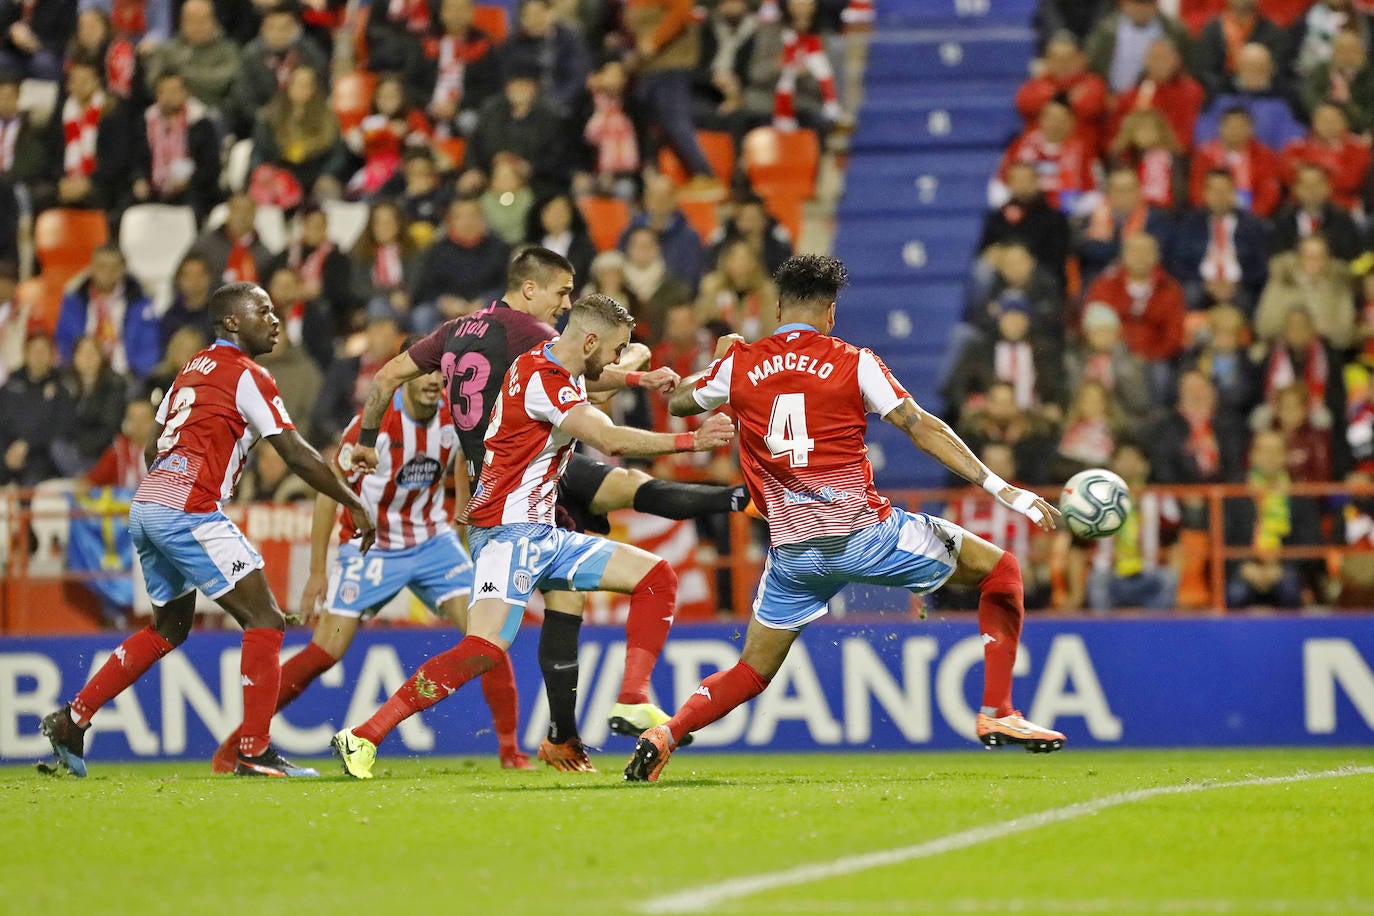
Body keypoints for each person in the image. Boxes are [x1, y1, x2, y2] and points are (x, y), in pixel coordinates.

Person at [622, 254, 1065, 783]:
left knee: (752, 669)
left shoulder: (738, 364)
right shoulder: (854, 361)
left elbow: (676, 401)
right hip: (864, 535)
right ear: (830, 313)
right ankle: (998, 712)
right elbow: (919, 426)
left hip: (793, 554)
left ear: (778, 306)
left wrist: (721, 357)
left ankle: (667, 733)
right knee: (1002, 572)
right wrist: (1001, 487)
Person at [333, 247, 750, 771]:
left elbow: (597, 387)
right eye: (617, 350)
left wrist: (644, 377)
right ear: (591, 341)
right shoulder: (540, 373)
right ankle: (365, 734)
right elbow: (610, 438)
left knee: (656, 577)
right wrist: (692, 442)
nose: (617, 360)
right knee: (483, 648)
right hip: (506, 534)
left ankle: (632, 697)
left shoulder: (553, 367)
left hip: (543, 533)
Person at [37, 282, 376, 779]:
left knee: (168, 629)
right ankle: (254, 750)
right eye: (263, 310)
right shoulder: (247, 374)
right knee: (265, 618)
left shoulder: (191, 368)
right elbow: (296, 452)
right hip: (187, 509)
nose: (275, 320)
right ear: (233, 322)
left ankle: (73, 719)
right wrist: (354, 502)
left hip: (148, 504)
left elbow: (154, 446)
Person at [210, 368, 530, 774]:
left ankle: (510, 752)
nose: (433, 381)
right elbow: (328, 493)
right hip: (370, 547)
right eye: (424, 374)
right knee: (325, 651)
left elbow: (463, 465)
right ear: (405, 378)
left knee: (487, 636)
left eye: (438, 375)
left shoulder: (453, 416)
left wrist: (462, 523)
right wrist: (317, 571)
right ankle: (238, 744)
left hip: (432, 542)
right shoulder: (372, 425)